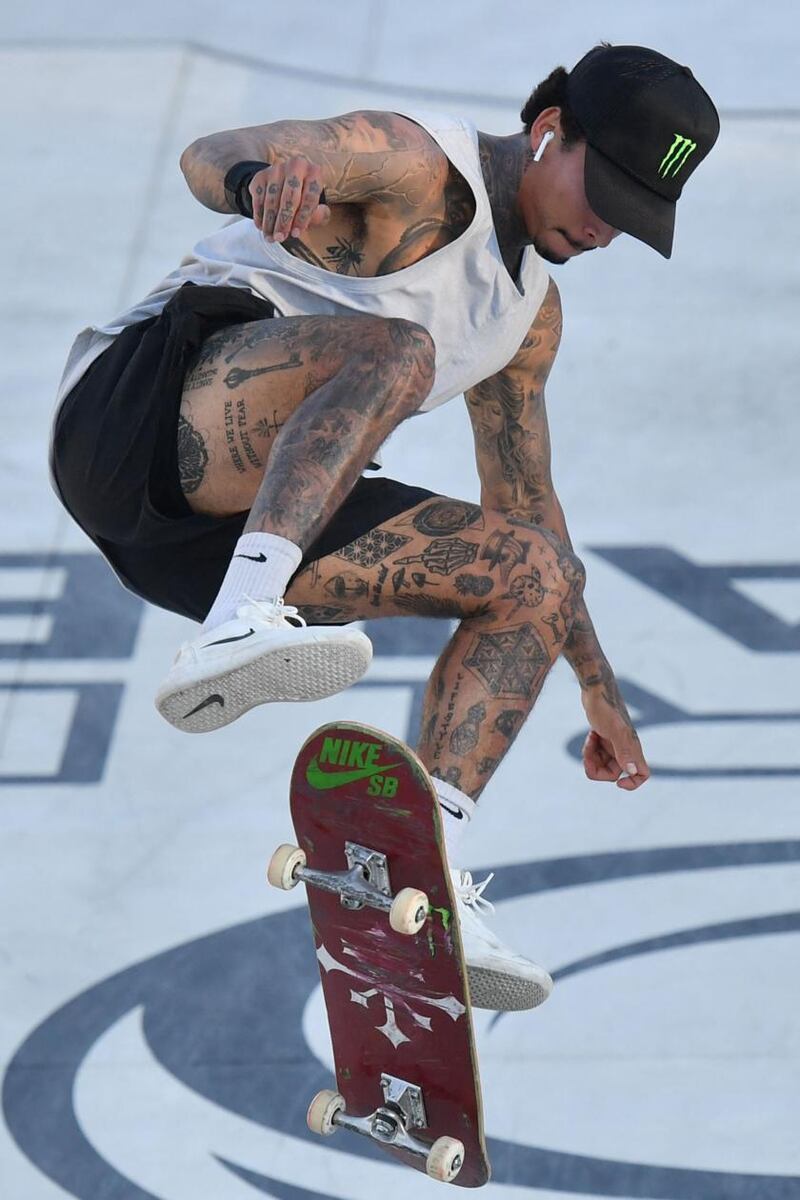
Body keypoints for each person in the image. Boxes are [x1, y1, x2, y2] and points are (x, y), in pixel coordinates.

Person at [49, 44, 719, 1012]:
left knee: (536, 573)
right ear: (547, 132)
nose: (605, 228)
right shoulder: (411, 164)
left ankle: (425, 862)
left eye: (632, 217)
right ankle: (241, 621)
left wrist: (596, 687)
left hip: (229, 530)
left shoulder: (527, 322)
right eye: (602, 191)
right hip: (132, 422)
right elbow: (209, 151)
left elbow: (524, 496)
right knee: (400, 350)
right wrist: (257, 180)